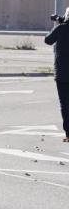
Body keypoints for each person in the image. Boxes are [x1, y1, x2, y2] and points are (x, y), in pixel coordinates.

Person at [43, 8, 69, 142]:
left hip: (62, 74)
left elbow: (47, 40)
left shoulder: (61, 29)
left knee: (65, 104)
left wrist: (59, 23)